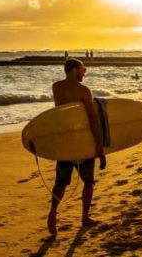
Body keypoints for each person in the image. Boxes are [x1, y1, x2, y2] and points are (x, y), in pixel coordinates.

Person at [46, 58, 105, 237]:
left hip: (65, 144)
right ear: (74, 70)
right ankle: (85, 217)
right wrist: (99, 145)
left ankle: (52, 213)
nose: (84, 72)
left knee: (60, 183)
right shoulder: (83, 90)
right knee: (88, 181)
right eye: (83, 69)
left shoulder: (56, 87)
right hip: (81, 142)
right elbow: (93, 118)